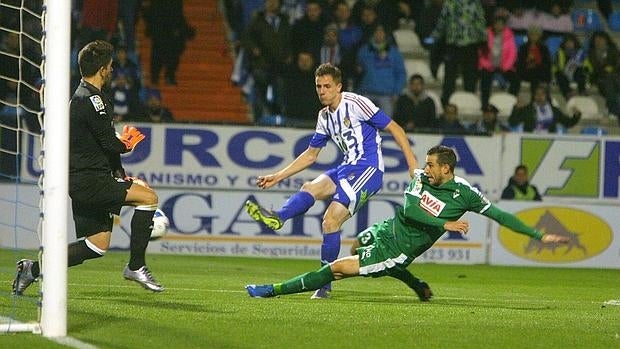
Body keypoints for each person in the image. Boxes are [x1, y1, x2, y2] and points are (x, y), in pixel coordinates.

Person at [245, 145, 568, 300]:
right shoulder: (420, 180)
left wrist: (537, 234)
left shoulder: (465, 194)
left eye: (430, 165)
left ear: (447, 169)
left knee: (336, 269)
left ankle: (270, 291)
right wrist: (445, 225)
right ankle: (417, 285)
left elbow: (500, 215)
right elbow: (412, 211)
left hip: (398, 249)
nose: (424, 169)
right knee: (358, 242)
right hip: (388, 230)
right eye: (425, 164)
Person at [244, 63, 417, 299]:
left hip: (368, 169)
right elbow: (311, 155)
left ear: (339, 87)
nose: (322, 91)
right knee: (310, 189)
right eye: (318, 86)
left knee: (330, 219)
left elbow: (395, 129)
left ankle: (324, 284)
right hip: (347, 168)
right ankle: (279, 217)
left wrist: (411, 163)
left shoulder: (356, 104)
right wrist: (278, 176)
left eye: (327, 86)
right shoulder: (324, 116)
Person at [12, 40, 164, 295]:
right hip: (90, 180)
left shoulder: (88, 97)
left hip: (86, 179)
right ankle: (136, 266)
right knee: (149, 199)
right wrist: (126, 145)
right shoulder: (93, 100)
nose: (113, 69)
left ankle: (32, 270)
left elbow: (103, 146)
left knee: (96, 245)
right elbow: (109, 143)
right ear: (103, 69)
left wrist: (124, 176)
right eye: (111, 66)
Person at [509, 84, 581, 133]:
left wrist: (576, 116)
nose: (540, 96)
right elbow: (512, 123)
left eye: (542, 94)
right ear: (534, 96)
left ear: (546, 96)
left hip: (549, 141)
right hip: (530, 141)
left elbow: (568, 123)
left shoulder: (554, 110)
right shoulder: (527, 110)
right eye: (537, 94)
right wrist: (516, 109)